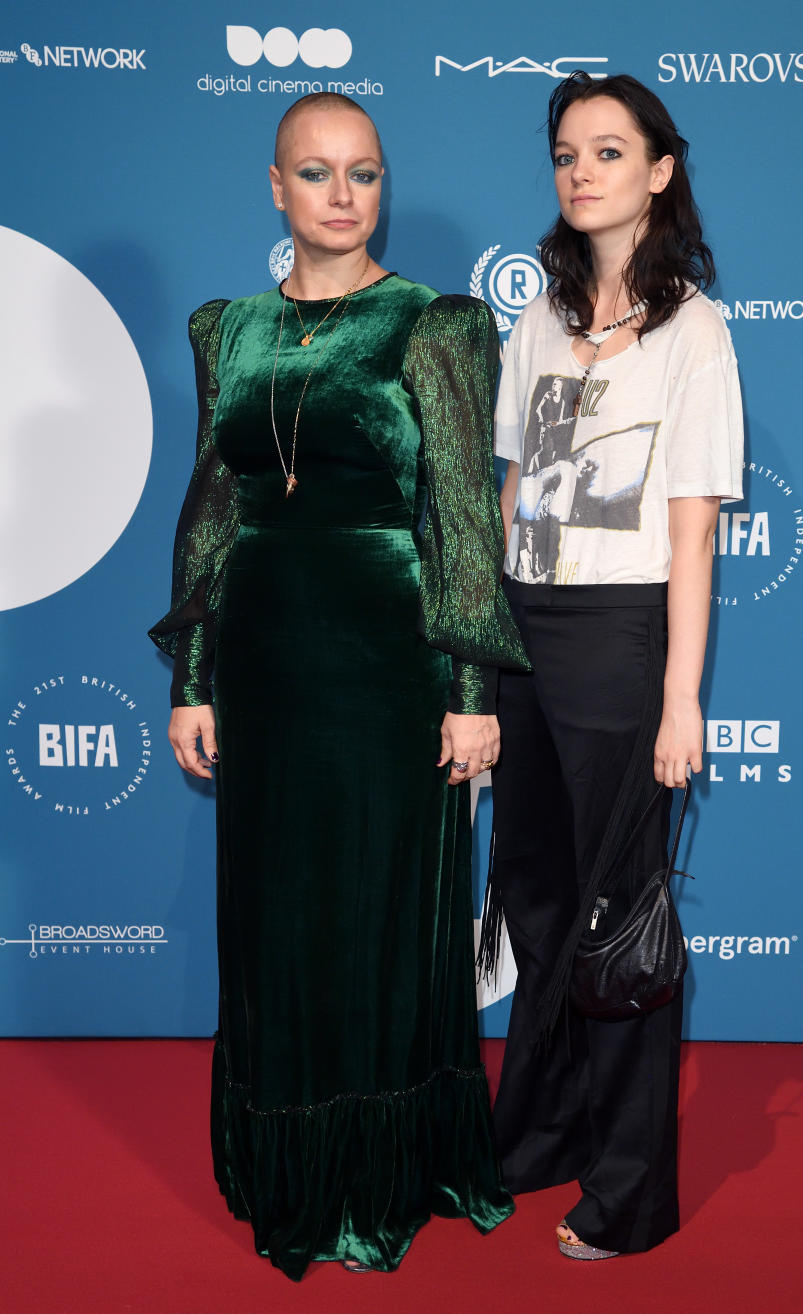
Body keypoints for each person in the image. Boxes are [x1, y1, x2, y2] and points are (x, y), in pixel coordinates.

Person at [149, 92, 528, 1278]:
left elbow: (465, 519)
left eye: (363, 173)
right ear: (277, 188)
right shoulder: (228, 329)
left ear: (382, 186)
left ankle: (382, 1173)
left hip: (390, 665)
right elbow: (212, 510)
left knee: (380, 910)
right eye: (317, 174)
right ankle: (282, 1164)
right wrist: (194, 676)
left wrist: (472, 693)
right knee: (278, 918)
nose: (343, 195)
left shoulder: (437, 325)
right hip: (265, 668)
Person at [484, 71, 743, 1260]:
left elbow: (692, 524)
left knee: (620, 922)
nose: (580, 171)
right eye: (565, 153)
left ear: (659, 171)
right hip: (522, 637)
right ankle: (541, 1135)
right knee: (534, 900)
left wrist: (680, 694)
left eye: (607, 150)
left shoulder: (695, 327)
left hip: (622, 637)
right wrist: (480, 659)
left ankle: (631, 1193)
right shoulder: (536, 315)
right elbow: (505, 494)